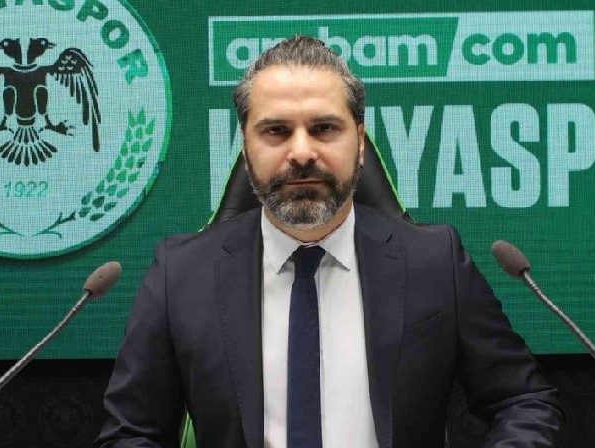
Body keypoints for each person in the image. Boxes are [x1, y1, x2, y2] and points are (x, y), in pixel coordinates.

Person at [96, 35, 562, 448]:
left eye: (324, 128)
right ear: (246, 145)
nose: (301, 152)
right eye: (276, 131)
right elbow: (130, 433)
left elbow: (524, 400)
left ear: (359, 142)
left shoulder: (434, 261)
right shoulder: (181, 274)